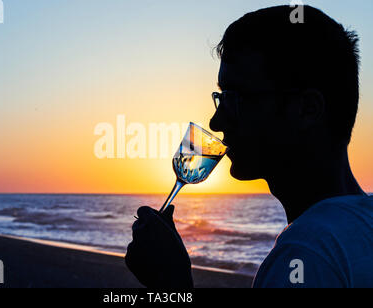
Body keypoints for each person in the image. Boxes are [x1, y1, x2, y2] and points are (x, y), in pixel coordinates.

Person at [125, 5, 373, 288]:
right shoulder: (361, 226)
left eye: (236, 97)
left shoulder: (307, 255)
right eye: (221, 97)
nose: (216, 121)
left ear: (307, 109)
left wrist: (172, 286)